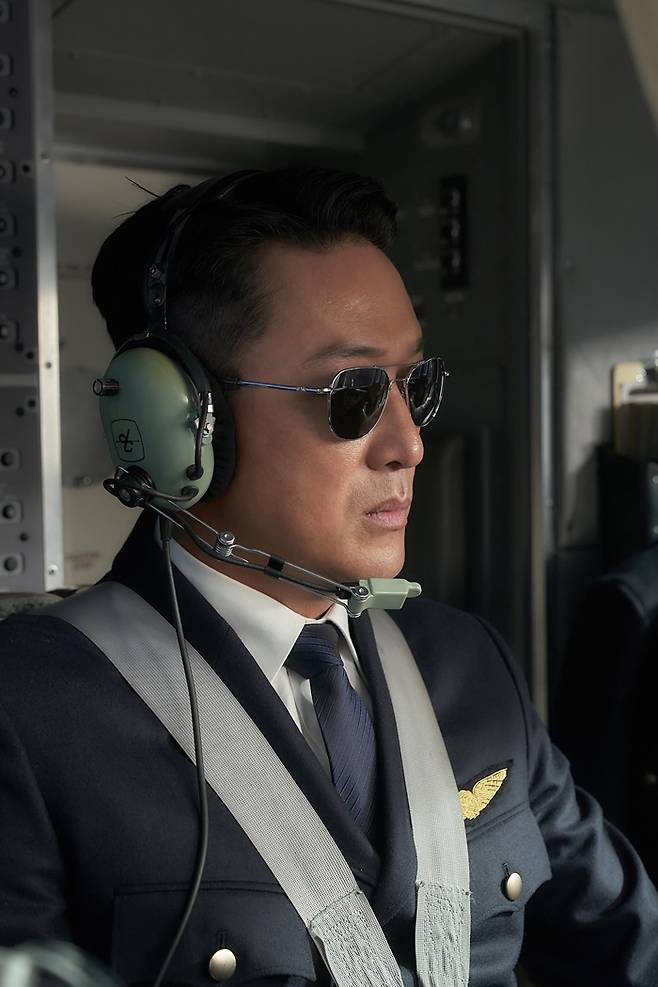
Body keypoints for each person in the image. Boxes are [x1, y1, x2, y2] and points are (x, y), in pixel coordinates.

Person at [1, 167, 657, 987]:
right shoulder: (32, 715)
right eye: (353, 394)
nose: (409, 443)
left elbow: (629, 947)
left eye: (414, 385)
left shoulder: (469, 665)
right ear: (179, 421)